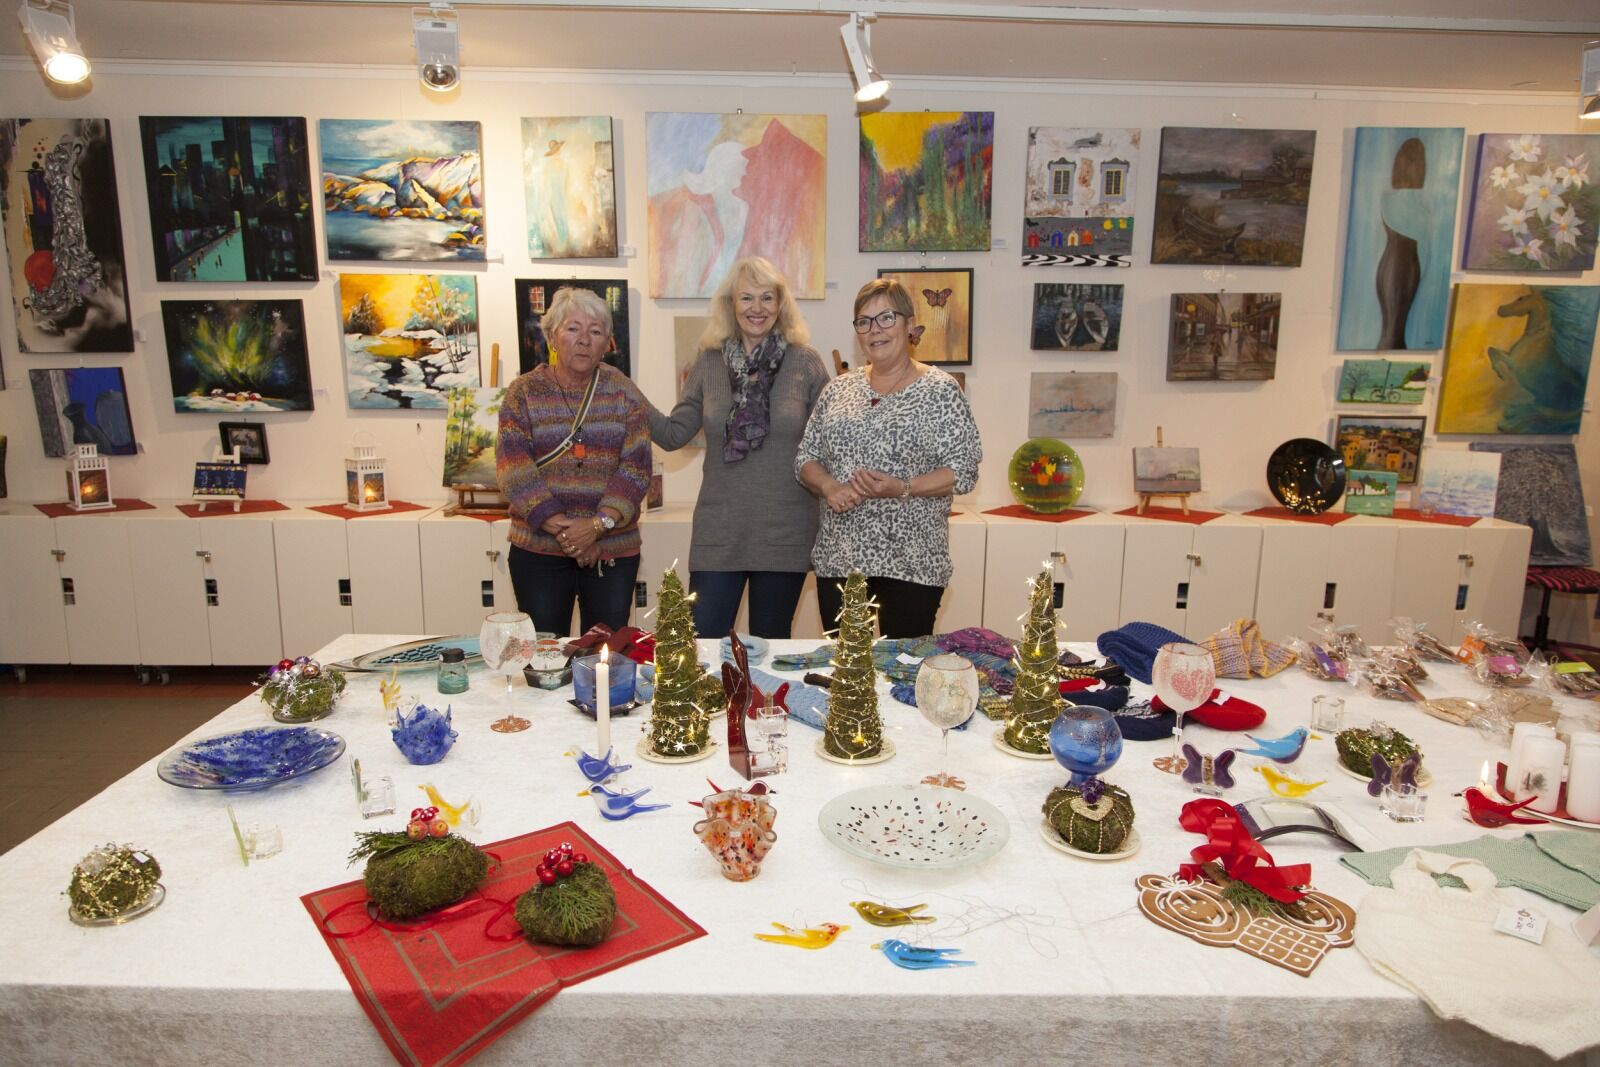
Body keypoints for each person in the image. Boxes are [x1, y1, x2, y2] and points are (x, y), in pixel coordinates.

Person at [646, 257, 829, 638]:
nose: (756, 308)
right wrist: (625, 393)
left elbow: (829, 441)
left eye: (767, 297)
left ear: (780, 305)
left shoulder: (805, 362)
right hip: (719, 531)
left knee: (769, 649)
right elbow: (674, 434)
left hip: (784, 531)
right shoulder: (708, 361)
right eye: (747, 297)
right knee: (701, 645)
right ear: (731, 303)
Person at [796, 278, 981, 638]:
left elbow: (963, 470)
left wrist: (902, 487)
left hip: (912, 564)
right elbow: (806, 457)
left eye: (886, 318)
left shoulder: (940, 390)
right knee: (847, 668)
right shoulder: (838, 389)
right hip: (840, 560)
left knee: (904, 666)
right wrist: (829, 486)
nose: (874, 330)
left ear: (910, 324)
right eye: (864, 321)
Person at [498, 287, 650, 635]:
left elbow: (636, 468)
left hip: (612, 551)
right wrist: (568, 531)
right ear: (552, 336)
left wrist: (596, 526)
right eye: (572, 328)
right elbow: (514, 468)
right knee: (544, 651)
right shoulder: (523, 392)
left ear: (606, 343)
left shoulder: (624, 392)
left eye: (595, 331)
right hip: (539, 550)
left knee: (605, 652)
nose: (584, 340)